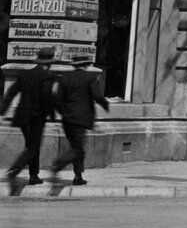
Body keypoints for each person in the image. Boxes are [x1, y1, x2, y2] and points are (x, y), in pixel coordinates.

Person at [48, 54, 109, 185]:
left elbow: (57, 98)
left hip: (67, 119)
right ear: (86, 65)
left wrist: (63, 112)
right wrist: (105, 104)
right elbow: (97, 95)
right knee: (77, 149)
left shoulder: (65, 78)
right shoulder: (90, 78)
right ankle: (58, 165)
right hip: (81, 119)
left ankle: (78, 176)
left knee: (76, 147)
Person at [3, 46, 58, 188]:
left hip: (22, 116)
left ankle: (34, 176)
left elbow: (11, 91)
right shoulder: (47, 76)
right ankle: (14, 170)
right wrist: (51, 114)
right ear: (49, 62)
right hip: (36, 117)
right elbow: (47, 97)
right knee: (33, 147)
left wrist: (3, 109)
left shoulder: (25, 74)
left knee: (31, 146)